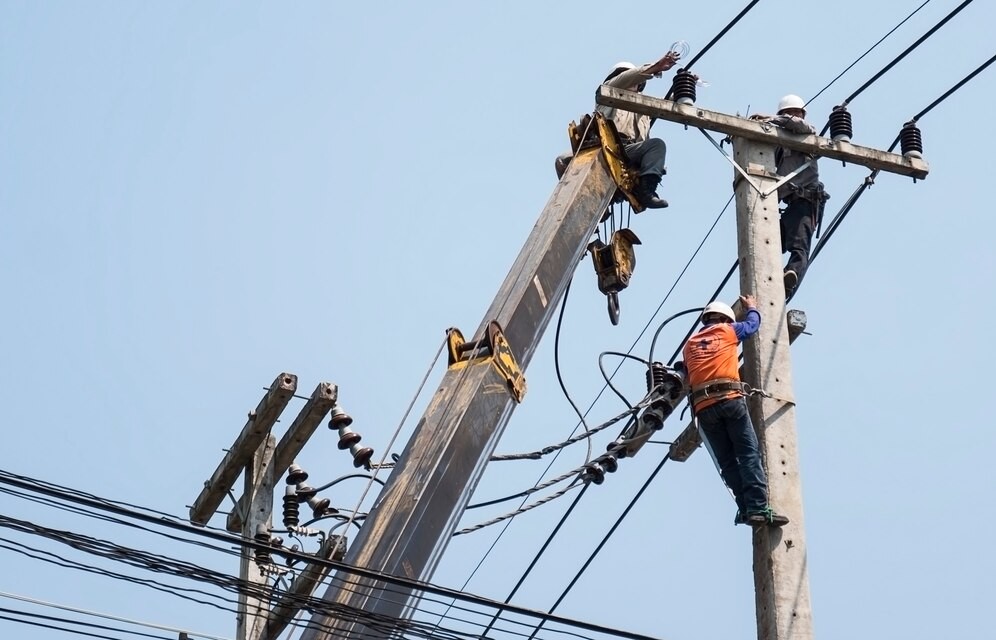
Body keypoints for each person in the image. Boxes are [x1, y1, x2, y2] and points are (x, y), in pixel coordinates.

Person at [681, 295, 789, 528]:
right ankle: (758, 506)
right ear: (725, 319)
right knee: (748, 453)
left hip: (704, 408)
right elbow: (752, 326)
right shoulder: (727, 331)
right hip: (729, 399)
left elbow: (686, 373)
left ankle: (745, 507)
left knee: (728, 462)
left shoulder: (689, 345)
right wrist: (752, 307)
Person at [555, 51, 681, 209]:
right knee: (563, 159)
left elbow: (668, 104)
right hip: (605, 147)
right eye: (625, 75)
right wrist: (656, 67)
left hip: (630, 152)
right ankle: (580, 200)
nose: (630, 80)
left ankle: (646, 191)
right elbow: (629, 77)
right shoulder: (608, 90)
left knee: (657, 145)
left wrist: (685, 86)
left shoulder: (644, 105)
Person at [750, 95, 829, 298]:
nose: (793, 116)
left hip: (807, 201)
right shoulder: (778, 143)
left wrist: (769, 118)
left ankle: (790, 277)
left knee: (799, 246)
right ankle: (770, 281)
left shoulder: (807, 132)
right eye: (788, 112)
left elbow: (797, 125)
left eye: (796, 112)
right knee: (767, 241)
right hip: (789, 205)